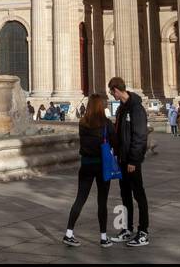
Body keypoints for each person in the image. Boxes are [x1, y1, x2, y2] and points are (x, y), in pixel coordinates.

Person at [63, 93, 116, 247]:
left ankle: (69, 233)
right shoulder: (106, 124)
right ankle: (103, 237)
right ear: (101, 106)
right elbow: (115, 142)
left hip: (86, 165)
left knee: (80, 199)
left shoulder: (82, 123)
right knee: (102, 201)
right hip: (102, 166)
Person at [109, 77, 150, 247]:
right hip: (122, 159)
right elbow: (120, 134)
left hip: (132, 161)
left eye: (112, 91)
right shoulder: (122, 109)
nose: (111, 95)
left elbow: (140, 136)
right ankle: (127, 229)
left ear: (116, 90)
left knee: (138, 196)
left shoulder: (136, 109)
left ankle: (143, 232)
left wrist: (134, 159)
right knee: (125, 195)